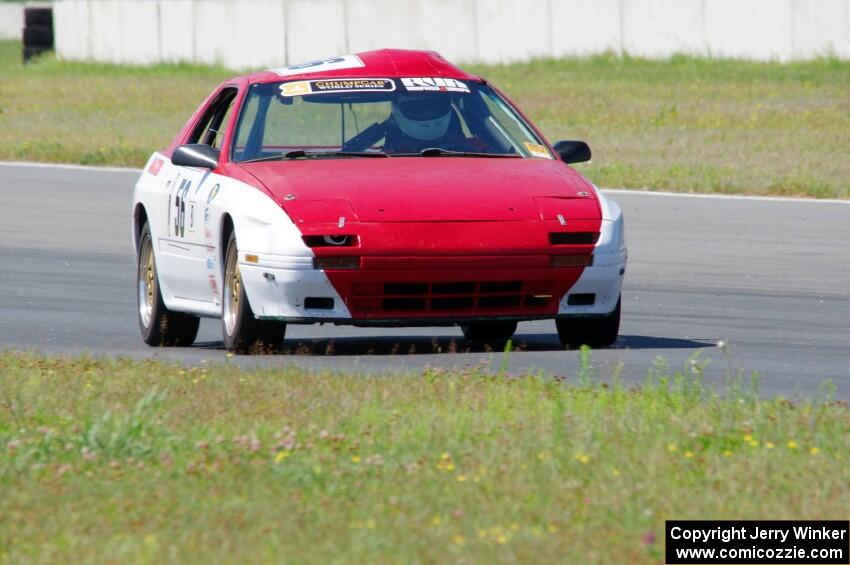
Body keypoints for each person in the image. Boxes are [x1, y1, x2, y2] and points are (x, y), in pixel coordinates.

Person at [382, 94, 483, 154]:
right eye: (419, 109)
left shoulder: (477, 148)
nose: (429, 114)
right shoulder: (383, 156)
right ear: (398, 109)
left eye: (436, 107)